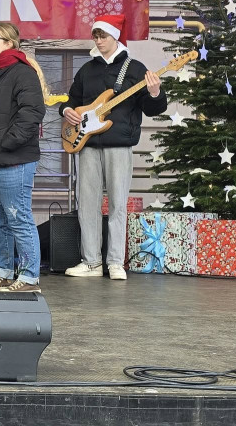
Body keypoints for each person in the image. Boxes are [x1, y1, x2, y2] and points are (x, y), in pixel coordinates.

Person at [61, 15, 166, 281]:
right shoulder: (87, 69)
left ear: (115, 36)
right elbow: (72, 100)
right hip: (86, 144)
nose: (98, 41)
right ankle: (92, 261)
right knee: (87, 204)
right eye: (95, 36)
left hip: (119, 143)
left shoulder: (135, 68)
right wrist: (67, 111)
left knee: (118, 203)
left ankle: (116, 261)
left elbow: (153, 109)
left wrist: (155, 93)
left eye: (103, 36)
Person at [0, 22, 46, 292]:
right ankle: (3, 270)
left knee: (18, 216)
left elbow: (32, 112)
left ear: (9, 44)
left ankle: (28, 276)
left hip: (14, 158)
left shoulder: (21, 72)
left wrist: (7, 142)